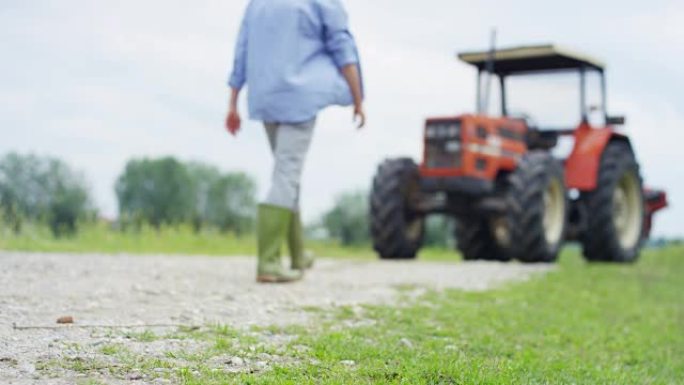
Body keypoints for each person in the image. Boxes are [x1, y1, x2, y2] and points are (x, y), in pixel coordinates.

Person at [225, 0, 365, 283]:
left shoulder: (257, 4)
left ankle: (298, 254)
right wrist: (357, 98)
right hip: (300, 96)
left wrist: (233, 103)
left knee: (287, 172)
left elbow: (242, 50)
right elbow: (342, 45)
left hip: (265, 95)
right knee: (287, 173)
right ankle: (269, 262)